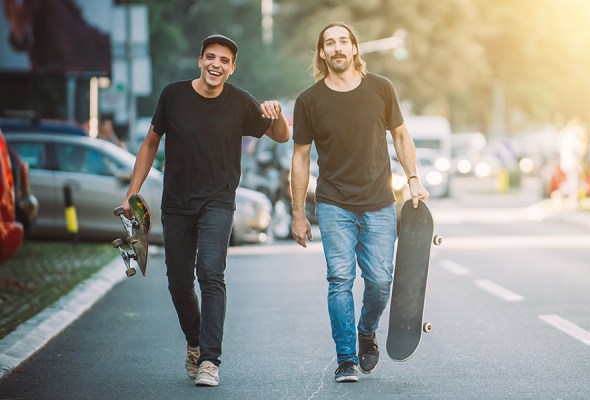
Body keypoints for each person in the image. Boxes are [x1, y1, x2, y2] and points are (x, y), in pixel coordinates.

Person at [120, 34, 289, 387]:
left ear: (232, 67)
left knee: (211, 273)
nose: (216, 64)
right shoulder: (173, 95)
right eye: (210, 57)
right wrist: (131, 194)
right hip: (177, 203)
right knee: (179, 283)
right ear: (200, 61)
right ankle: (195, 343)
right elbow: (151, 142)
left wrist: (278, 115)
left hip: (218, 201)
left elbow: (282, 136)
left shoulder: (240, 101)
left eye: (224, 60)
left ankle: (210, 360)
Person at [290, 22, 429, 383]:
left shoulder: (381, 89)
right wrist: (298, 214)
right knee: (339, 279)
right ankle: (346, 358)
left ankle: (367, 330)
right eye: (329, 43)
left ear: (354, 48)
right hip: (334, 203)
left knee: (381, 281)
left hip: (380, 201)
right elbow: (301, 158)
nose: (337, 48)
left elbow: (401, 135)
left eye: (343, 42)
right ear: (321, 53)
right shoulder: (309, 100)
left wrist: (413, 179)